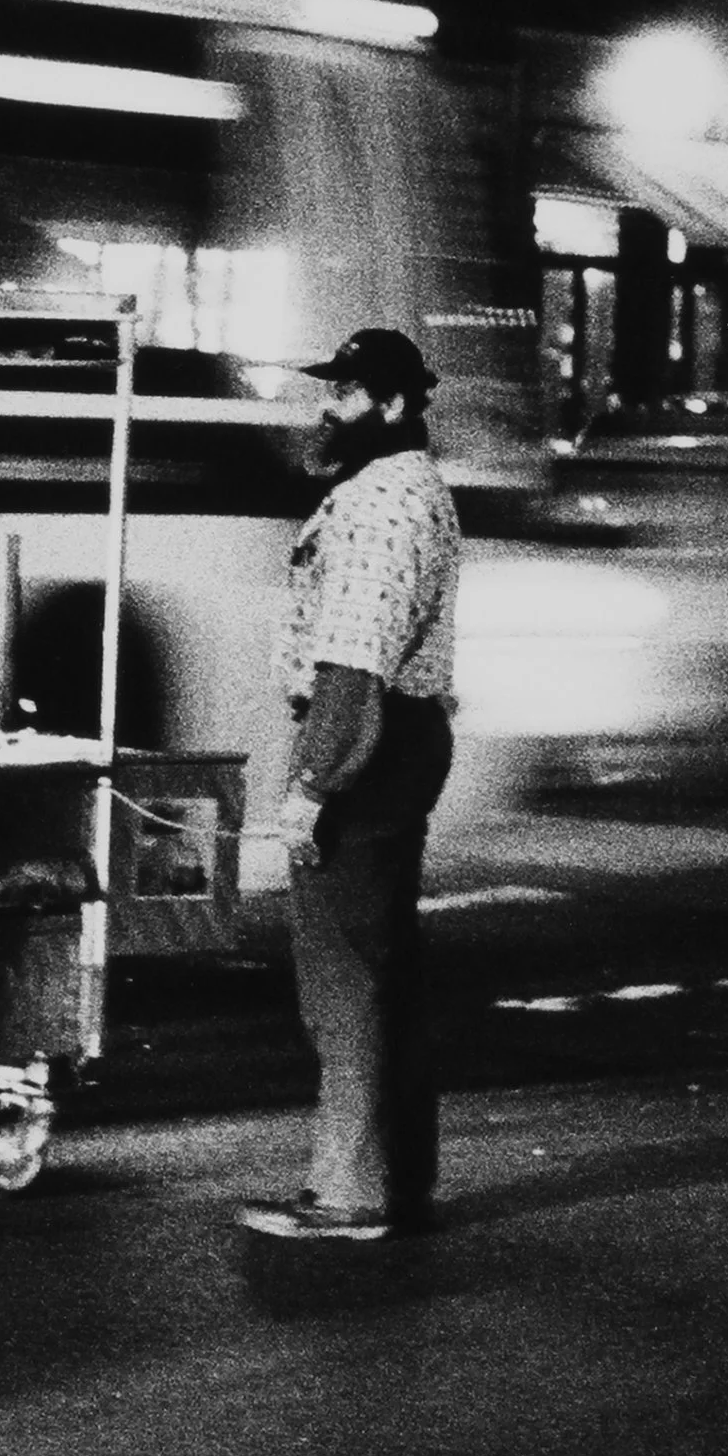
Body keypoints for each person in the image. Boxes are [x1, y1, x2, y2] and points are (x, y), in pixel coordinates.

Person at [239, 326, 462, 1243]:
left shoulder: (378, 503)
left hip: (367, 747)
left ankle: (350, 1194)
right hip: (404, 740)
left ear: (394, 405)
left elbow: (353, 664)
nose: (326, 408)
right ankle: (399, 1180)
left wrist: (312, 787)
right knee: (385, 969)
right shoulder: (419, 490)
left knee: (343, 978)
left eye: (345, 392)